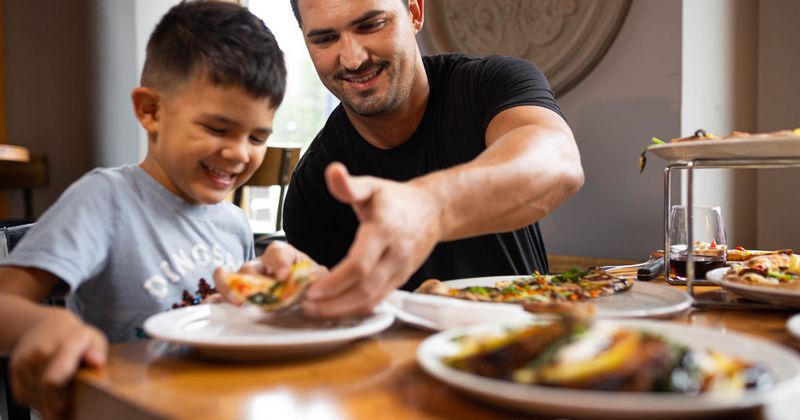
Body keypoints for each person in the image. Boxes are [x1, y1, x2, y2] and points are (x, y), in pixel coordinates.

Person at [0, 1, 286, 417]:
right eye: (217, 128)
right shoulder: (105, 200)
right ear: (150, 111)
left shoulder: (235, 224)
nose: (240, 153)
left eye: (257, 138)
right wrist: (44, 324)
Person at [276, 0, 584, 319]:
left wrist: (429, 206)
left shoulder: (491, 83)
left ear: (415, 13)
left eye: (371, 25)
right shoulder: (313, 188)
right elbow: (329, 319)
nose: (353, 59)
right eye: (325, 39)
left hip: (538, 338)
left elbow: (558, 161)